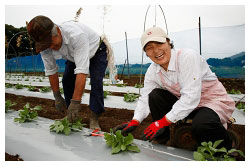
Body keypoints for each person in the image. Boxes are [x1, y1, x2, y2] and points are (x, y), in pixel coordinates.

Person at [114, 26, 235, 150]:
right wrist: (135, 120)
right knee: (155, 95)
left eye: (159, 43)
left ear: (168, 42)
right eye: (150, 48)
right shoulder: (152, 71)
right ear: (146, 53)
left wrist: (163, 122)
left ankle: (227, 148)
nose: (156, 51)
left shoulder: (187, 57)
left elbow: (191, 96)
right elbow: (145, 98)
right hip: (188, 105)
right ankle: (161, 137)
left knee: (202, 124)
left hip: (211, 102)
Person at [27, 15, 113, 130]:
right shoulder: (46, 47)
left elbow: (82, 72)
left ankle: (94, 117)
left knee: (96, 81)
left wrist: (76, 101)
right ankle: (71, 115)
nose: (51, 47)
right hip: (73, 56)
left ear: (57, 31)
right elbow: (51, 71)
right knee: (67, 79)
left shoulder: (76, 35)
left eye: (51, 42)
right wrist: (57, 96)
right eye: (47, 45)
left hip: (96, 51)